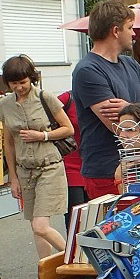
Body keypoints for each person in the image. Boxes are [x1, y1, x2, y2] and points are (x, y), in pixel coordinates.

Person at [72, 0, 140, 198]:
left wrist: (129, 108)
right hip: (107, 172)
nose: (133, 34)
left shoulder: (131, 64)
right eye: (130, 28)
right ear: (115, 31)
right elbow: (123, 130)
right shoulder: (88, 71)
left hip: (139, 167)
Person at [0, 55, 74, 258]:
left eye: (23, 82)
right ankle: (46, 276)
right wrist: (12, 178)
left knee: (41, 226)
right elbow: (8, 143)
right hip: (25, 171)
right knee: (35, 226)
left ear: (31, 78)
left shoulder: (45, 97)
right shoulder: (5, 105)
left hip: (49, 167)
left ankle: (76, 261)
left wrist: (42, 135)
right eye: (14, 83)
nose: (19, 87)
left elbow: (69, 129)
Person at [57, 91, 87, 231]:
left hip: (94, 163)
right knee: (75, 214)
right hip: (70, 163)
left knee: (95, 214)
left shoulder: (104, 99)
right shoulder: (67, 99)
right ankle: (73, 250)